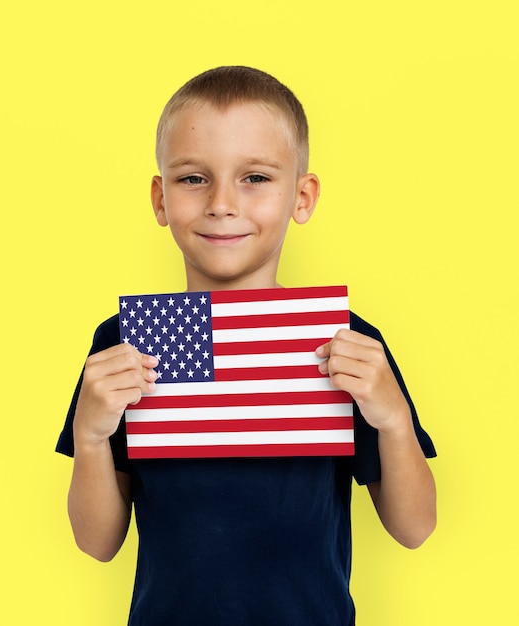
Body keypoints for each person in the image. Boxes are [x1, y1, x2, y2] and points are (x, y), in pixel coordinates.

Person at [56, 66, 436, 625]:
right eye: (193, 179)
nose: (222, 203)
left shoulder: (342, 343)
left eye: (255, 177)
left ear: (301, 197)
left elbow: (414, 527)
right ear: (160, 200)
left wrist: (395, 421)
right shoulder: (127, 343)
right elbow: (98, 542)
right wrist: (90, 437)